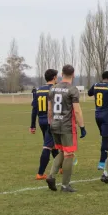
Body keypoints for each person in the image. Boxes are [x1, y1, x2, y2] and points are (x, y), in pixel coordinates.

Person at [46, 64, 86, 193]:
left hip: (55, 124)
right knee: (69, 154)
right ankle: (65, 185)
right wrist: (82, 126)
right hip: (67, 126)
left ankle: (51, 176)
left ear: (61, 74)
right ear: (73, 74)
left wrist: (50, 123)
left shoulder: (53, 89)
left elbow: (50, 110)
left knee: (62, 152)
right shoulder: (72, 90)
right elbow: (77, 111)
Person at [30, 69, 59, 180]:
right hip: (51, 120)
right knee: (48, 146)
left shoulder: (39, 90)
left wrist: (32, 125)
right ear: (54, 78)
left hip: (41, 120)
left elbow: (34, 109)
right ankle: (40, 173)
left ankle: (60, 167)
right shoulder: (55, 89)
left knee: (52, 144)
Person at [87, 71, 108, 170]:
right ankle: (102, 162)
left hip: (97, 115)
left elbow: (89, 93)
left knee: (104, 137)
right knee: (106, 139)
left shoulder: (96, 85)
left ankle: (103, 159)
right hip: (106, 116)